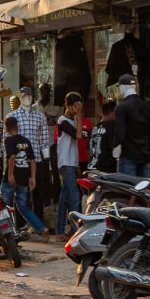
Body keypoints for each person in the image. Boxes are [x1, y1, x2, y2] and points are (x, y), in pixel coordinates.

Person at [1, 114, 48, 241]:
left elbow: (11, 157)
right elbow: (33, 160)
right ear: (17, 127)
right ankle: (42, 228)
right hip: (24, 180)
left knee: (2, 207)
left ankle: (5, 233)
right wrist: (32, 178)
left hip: (11, 180)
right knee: (24, 207)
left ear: (6, 128)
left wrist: (10, 174)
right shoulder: (26, 141)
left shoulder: (9, 141)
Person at [7, 86, 50, 222]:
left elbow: (44, 139)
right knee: (20, 195)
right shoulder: (12, 116)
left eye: (30, 96)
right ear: (19, 97)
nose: (28, 98)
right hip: (20, 162)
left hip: (36, 159)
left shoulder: (40, 116)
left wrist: (46, 159)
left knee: (38, 194)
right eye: (25, 96)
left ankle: (38, 225)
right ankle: (19, 225)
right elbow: (6, 140)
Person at [114, 73, 150, 177]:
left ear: (122, 87)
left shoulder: (121, 107)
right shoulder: (147, 105)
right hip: (144, 154)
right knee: (144, 190)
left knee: (127, 189)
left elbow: (120, 133)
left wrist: (115, 148)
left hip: (128, 154)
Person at [55, 93, 83, 239]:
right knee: (74, 197)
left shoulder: (73, 121)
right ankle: (74, 231)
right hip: (65, 163)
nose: (76, 109)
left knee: (64, 197)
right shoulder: (62, 120)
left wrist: (77, 164)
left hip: (72, 163)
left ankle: (60, 230)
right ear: (68, 105)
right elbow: (78, 136)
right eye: (74, 106)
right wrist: (79, 115)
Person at [87, 100, 119, 173]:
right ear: (113, 113)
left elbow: (88, 151)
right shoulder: (112, 126)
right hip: (106, 172)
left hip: (91, 169)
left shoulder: (94, 128)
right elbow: (116, 149)